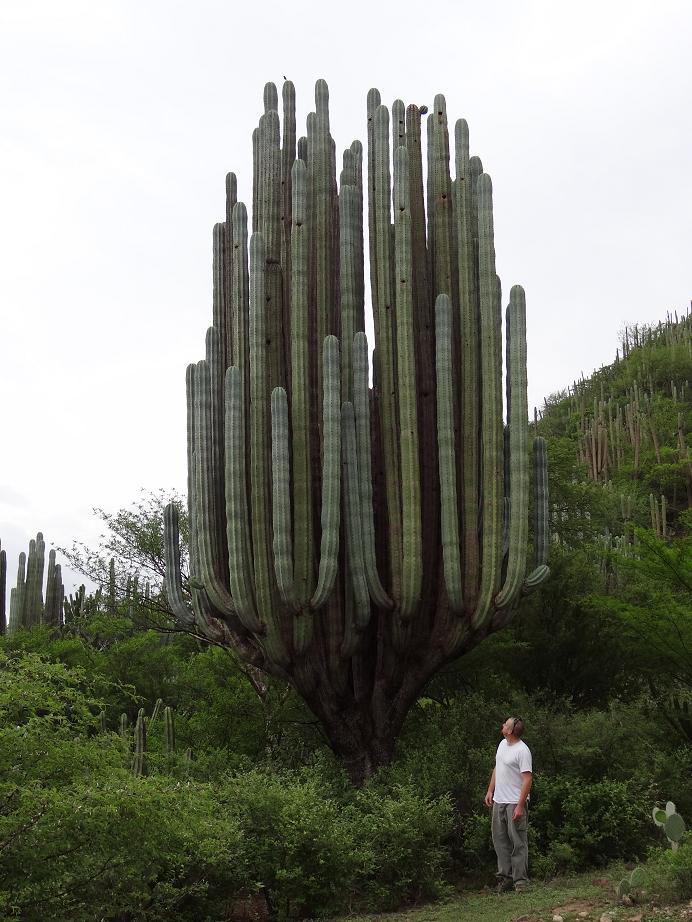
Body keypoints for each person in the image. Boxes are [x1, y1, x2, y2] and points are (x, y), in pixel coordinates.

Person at [484, 716, 533, 893]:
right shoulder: (502, 744)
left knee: (518, 842)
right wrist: (490, 790)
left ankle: (521, 882)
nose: (503, 725)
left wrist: (520, 805)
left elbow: (527, 779)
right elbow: (498, 767)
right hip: (499, 801)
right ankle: (506, 879)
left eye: (506, 724)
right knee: (500, 840)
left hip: (514, 802)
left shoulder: (522, 751)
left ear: (510, 731)